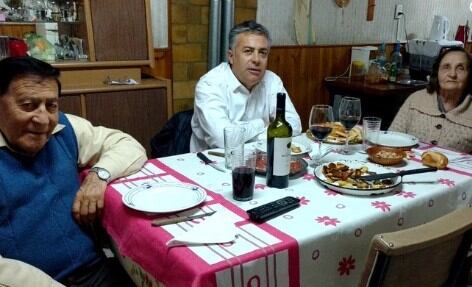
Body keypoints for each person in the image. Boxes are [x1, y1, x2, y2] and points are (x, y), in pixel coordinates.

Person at [0, 56, 147, 286]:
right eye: (28, 105)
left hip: (94, 271)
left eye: (51, 105)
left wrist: (98, 176)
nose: (42, 119)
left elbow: (127, 145)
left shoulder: (63, 129)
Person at [190, 20, 302, 152]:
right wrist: (263, 124)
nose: (256, 59)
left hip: (260, 159)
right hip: (212, 164)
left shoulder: (272, 81)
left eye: (263, 53)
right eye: (248, 51)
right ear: (231, 57)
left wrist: (241, 134)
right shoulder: (210, 84)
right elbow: (223, 139)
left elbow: (294, 125)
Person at [389, 47, 472, 153]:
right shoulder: (415, 99)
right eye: (446, 67)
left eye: (460, 68)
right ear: (437, 72)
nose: (452, 74)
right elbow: (391, 140)